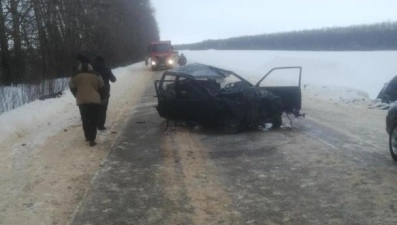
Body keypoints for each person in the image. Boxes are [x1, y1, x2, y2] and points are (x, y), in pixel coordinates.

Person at [69, 56, 105, 146]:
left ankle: (87, 136)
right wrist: (102, 97)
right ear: (90, 67)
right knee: (93, 120)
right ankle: (92, 139)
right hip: (94, 101)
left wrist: (77, 95)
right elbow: (102, 87)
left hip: (82, 101)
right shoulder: (96, 75)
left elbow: (72, 87)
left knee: (85, 119)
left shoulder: (75, 76)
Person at [93, 56, 117, 130]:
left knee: (95, 108)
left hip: (94, 91)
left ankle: (95, 123)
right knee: (103, 109)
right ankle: (101, 125)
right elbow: (113, 79)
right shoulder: (106, 70)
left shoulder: (92, 71)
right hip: (105, 91)